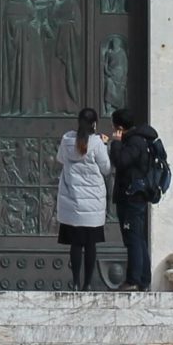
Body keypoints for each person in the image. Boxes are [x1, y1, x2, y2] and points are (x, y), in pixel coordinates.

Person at [108, 108, 166, 293]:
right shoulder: (139, 140)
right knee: (138, 238)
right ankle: (143, 280)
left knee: (133, 238)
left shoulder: (135, 142)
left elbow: (122, 161)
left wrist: (116, 143)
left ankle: (133, 280)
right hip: (136, 195)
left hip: (131, 196)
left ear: (118, 126)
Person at [56, 106, 113, 290]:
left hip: (73, 201)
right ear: (94, 124)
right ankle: (87, 283)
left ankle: (74, 281)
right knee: (90, 245)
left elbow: (60, 159)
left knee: (75, 244)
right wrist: (105, 144)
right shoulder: (97, 143)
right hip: (92, 204)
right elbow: (106, 168)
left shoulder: (67, 141)